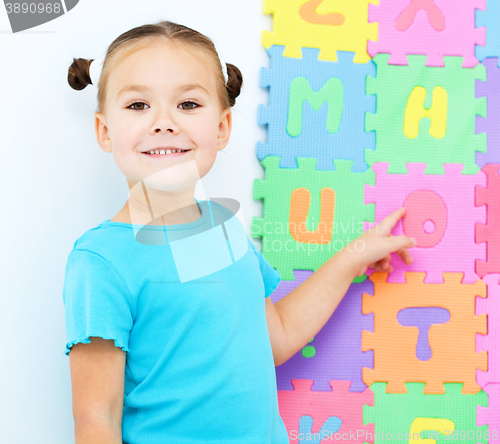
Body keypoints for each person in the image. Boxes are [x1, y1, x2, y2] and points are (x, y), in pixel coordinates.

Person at [63, 19, 416, 444]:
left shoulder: (220, 230)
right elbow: (96, 420)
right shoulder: (101, 261)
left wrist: (352, 257)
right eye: (138, 105)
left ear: (222, 127)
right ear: (105, 130)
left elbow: (277, 336)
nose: (164, 122)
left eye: (188, 104)